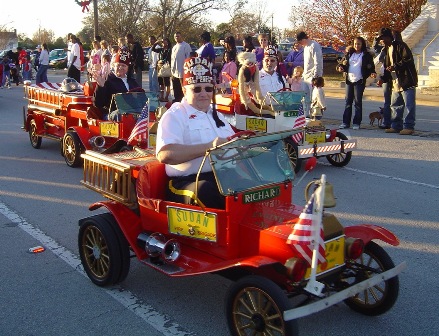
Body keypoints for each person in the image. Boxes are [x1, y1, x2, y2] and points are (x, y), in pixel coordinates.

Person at [156, 56, 235, 209]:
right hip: (187, 181)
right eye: (197, 89)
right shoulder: (175, 115)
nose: (204, 94)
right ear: (184, 90)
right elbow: (164, 154)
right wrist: (210, 147)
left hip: (222, 176)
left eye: (208, 89)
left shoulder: (217, 114)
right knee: (205, 191)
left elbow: (235, 142)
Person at [378, 28, 418, 135]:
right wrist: (383, 79)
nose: (381, 41)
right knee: (395, 105)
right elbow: (387, 68)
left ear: (388, 37)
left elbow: (408, 59)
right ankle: (396, 126)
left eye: (382, 38)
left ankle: (409, 127)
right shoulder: (387, 50)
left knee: (409, 105)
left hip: (406, 80)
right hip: (396, 82)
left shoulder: (401, 46)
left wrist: (395, 66)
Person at [336, 36, 376, 129]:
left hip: (359, 80)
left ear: (362, 45)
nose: (357, 46)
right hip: (349, 80)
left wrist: (372, 73)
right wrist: (340, 67)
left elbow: (371, 67)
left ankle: (356, 123)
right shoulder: (349, 54)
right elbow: (341, 64)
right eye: (355, 44)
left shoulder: (366, 55)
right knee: (348, 102)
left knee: (358, 102)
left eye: (359, 44)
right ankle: (345, 122)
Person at [93, 48, 141, 120]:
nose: (120, 67)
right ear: (114, 66)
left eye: (124, 66)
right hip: (112, 114)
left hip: (132, 113)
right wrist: (100, 86)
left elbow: (141, 97)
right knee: (120, 113)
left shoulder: (132, 81)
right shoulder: (107, 79)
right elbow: (98, 104)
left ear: (128, 68)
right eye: (118, 65)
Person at [297, 31, 323, 117]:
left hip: (313, 76)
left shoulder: (314, 46)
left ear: (304, 39)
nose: (300, 44)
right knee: (305, 98)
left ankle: (315, 116)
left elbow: (317, 62)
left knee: (314, 98)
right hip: (306, 76)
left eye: (300, 42)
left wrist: (316, 76)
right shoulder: (306, 47)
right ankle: (306, 115)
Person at [171, 31, 192, 102]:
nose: (176, 37)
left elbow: (188, 58)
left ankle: (184, 101)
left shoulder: (186, 46)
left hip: (182, 72)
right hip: (174, 72)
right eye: (175, 36)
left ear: (181, 37)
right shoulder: (174, 47)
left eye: (178, 36)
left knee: (183, 89)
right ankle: (177, 100)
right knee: (176, 88)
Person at [153, 37, 172, 102]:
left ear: (168, 42)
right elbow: (153, 49)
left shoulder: (169, 50)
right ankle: (161, 96)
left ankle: (166, 96)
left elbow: (170, 58)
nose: (163, 43)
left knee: (167, 83)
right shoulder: (161, 49)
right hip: (160, 66)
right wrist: (156, 43)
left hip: (166, 66)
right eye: (162, 42)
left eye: (165, 41)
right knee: (161, 83)